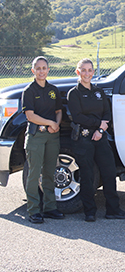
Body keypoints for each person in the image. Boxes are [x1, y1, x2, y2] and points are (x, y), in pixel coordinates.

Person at [67, 58, 125, 222]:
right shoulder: (73, 93)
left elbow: (107, 113)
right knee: (87, 176)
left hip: (100, 137)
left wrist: (101, 130)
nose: (87, 73)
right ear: (78, 72)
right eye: (83, 70)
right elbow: (77, 117)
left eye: (89, 70)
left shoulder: (99, 92)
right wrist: (97, 125)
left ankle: (113, 210)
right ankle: (89, 212)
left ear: (93, 72)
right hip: (83, 138)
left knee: (109, 173)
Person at [22, 56, 64, 223]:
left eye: (44, 68)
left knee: (49, 172)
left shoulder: (53, 90)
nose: (41, 71)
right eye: (38, 68)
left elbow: (59, 110)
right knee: (34, 173)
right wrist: (50, 123)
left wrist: (56, 124)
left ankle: (50, 208)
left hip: (52, 135)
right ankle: (33, 210)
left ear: (48, 70)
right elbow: (30, 115)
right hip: (36, 136)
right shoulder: (29, 91)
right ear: (33, 71)